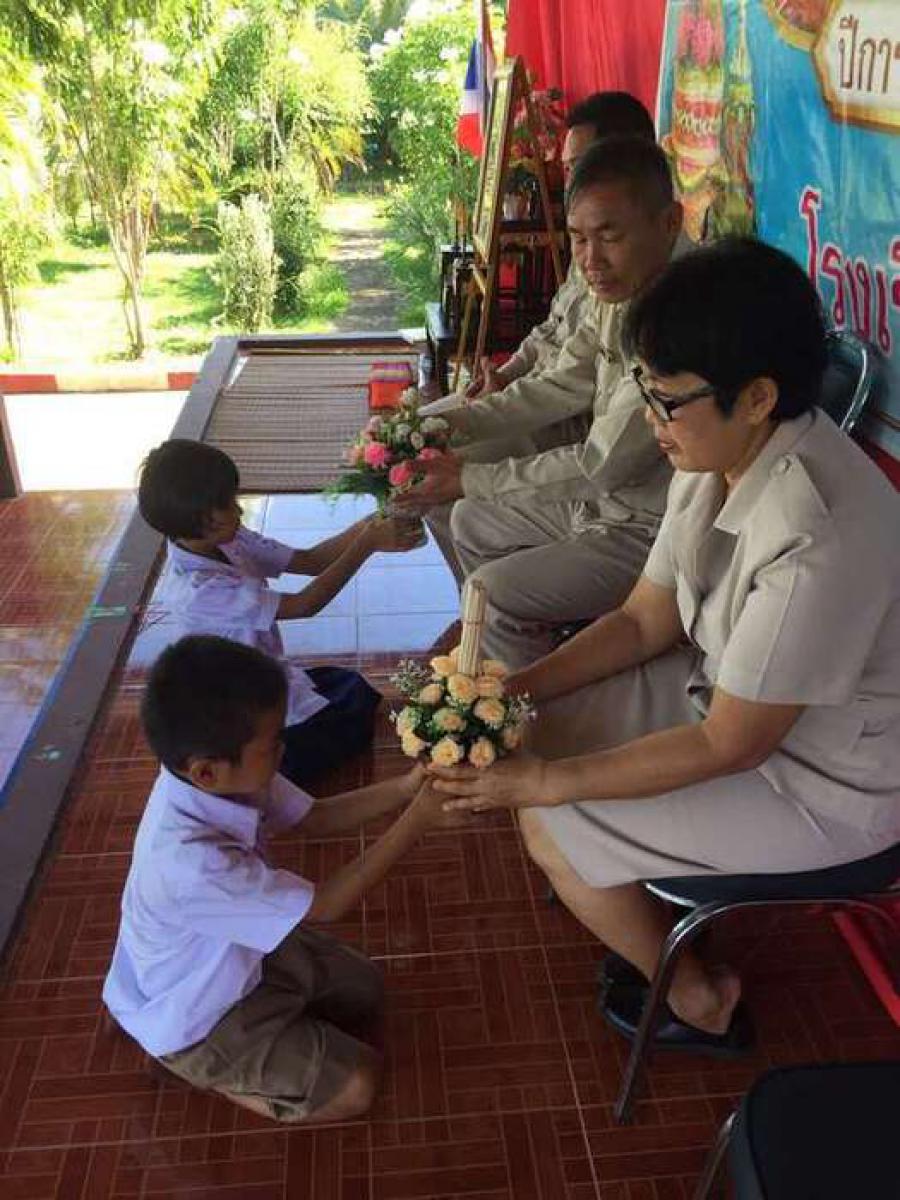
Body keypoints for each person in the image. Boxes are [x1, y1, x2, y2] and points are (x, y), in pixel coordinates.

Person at [427, 237, 900, 1055]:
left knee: (551, 816)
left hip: (828, 781)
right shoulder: (716, 447)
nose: (651, 418)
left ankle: (700, 998)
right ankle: (633, 898)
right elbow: (645, 621)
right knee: (528, 735)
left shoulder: (816, 533)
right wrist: (516, 690)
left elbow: (732, 744)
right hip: (726, 696)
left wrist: (546, 783)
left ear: (757, 397)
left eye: (668, 398)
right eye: (645, 389)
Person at [103, 635, 468, 1123]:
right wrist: (417, 820)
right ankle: (200, 1068)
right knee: (356, 1087)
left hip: (234, 956)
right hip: (196, 1010)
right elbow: (327, 905)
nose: (284, 747)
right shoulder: (190, 863)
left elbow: (317, 816)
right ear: (206, 772)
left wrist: (406, 788)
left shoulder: (224, 776)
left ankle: (266, 1035)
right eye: (272, 743)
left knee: (366, 990)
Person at [399, 136, 690, 668]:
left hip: (650, 528)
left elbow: (601, 465)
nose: (591, 260)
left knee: (492, 588)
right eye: (578, 239)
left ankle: (527, 696)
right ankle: (505, 653)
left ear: (669, 222)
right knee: (470, 521)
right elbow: (558, 383)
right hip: (602, 505)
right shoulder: (622, 290)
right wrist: (452, 423)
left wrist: (468, 475)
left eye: (610, 236)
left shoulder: (675, 325)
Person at [138, 439, 421, 786]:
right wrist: (368, 544)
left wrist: (371, 523)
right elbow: (305, 604)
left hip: (261, 675)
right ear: (203, 520)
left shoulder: (226, 537)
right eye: (227, 504)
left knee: (349, 686)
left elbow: (310, 561)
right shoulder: (199, 591)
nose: (238, 511)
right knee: (349, 717)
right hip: (236, 705)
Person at [463, 91, 656, 405]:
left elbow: (571, 389)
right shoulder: (590, 253)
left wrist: (487, 410)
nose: (570, 185)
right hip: (527, 398)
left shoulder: (638, 286)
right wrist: (504, 378)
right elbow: (552, 328)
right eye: (567, 170)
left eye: (581, 167)